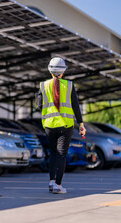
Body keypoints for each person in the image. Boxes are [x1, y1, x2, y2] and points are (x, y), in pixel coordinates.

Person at [36, 57, 86, 194]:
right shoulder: (69, 85)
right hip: (65, 125)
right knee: (61, 155)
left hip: (49, 125)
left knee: (52, 153)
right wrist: (81, 124)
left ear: (50, 71)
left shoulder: (43, 85)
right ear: (63, 71)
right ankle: (58, 185)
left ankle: (52, 182)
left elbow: (39, 106)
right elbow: (76, 106)